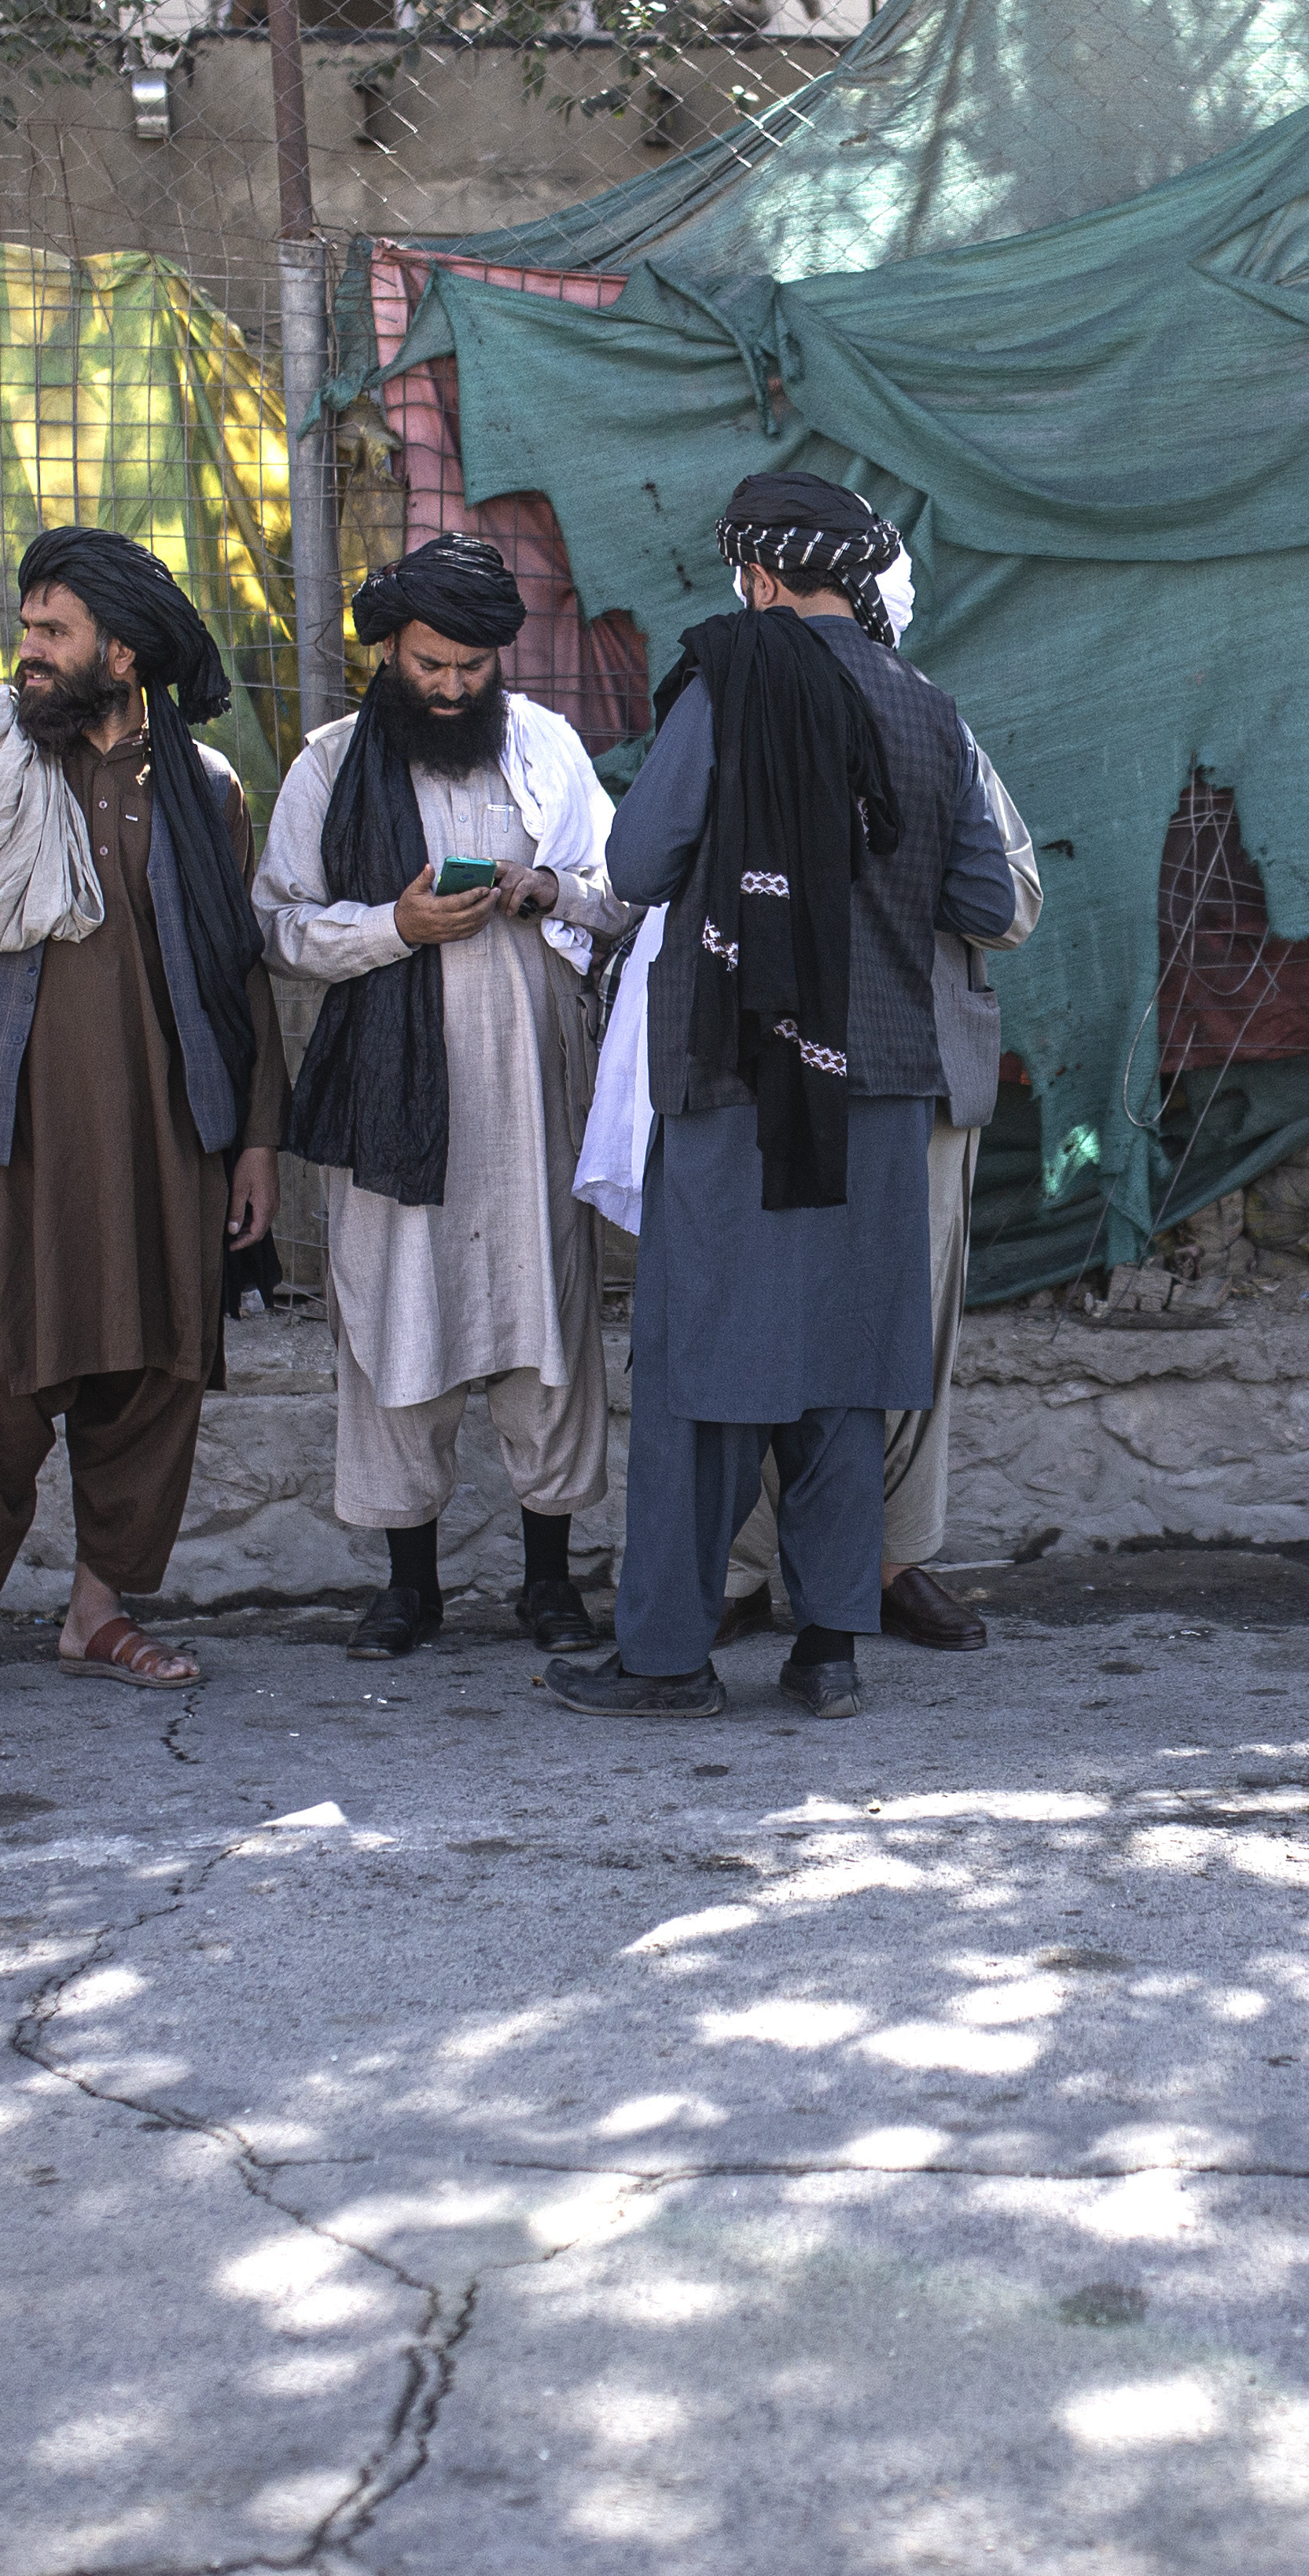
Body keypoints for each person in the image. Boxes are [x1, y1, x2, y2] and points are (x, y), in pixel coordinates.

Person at [576, 473, 1017, 1723]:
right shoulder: (930, 710)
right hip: (877, 1086)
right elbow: (985, 901)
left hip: (735, 1081)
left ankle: (663, 1658)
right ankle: (829, 1653)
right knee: (840, 1367)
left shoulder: (726, 690)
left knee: (704, 1370)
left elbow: (638, 861)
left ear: (759, 579)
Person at [0, 527, 287, 1715]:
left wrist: (254, 1138)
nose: (26, 655)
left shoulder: (203, 792)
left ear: (124, 650)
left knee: (156, 1378)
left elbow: (235, 976)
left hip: (166, 1143)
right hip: (12, 1138)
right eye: (26, 628)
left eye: (51, 634)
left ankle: (99, 1611)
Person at [258, 535, 631, 1660]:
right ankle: (406, 1589)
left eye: (472, 665)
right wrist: (393, 926)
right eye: (430, 664)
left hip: (531, 1093)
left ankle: (549, 1585)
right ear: (388, 653)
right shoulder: (327, 766)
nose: (454, 685)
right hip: (391, 1101)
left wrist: (545, 886)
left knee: (544, 1327)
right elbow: (278, 922)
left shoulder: (548, 749)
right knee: (395, 1322)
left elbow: (618, 896)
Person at [718, 557, 1044, 1658]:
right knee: (775, 1321)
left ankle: (886, 1561)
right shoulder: (738, 705)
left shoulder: (933, 723)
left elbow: (1004, 898)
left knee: (893, 1333)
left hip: (913, 1075)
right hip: (777, 1068)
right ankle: (746, 1566)